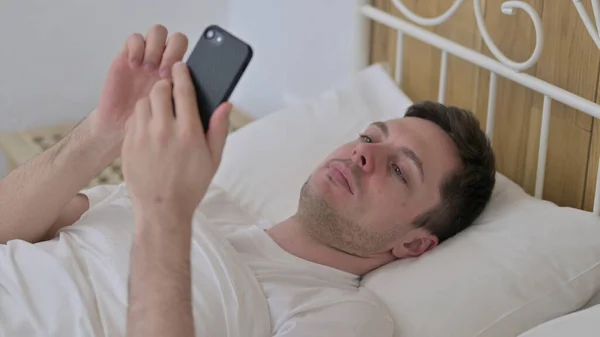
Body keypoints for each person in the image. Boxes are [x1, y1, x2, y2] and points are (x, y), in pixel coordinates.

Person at [0, 26, 495, 337]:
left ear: (415, 244)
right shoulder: (204, 200)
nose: (365, 153)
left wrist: (163, 212)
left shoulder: (342, 316)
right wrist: (104, 129)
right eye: (369, 136)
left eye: (399, 169)